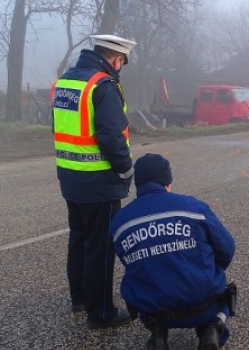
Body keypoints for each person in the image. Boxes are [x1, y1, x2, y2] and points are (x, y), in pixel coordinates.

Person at [51, 34, 136, 329]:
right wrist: (126, 170)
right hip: (99, 180)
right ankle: (100, 312)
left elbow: (60, 126)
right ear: (116, 58)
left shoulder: (66, 82)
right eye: (121, 62)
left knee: (80, 239)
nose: (120, 67)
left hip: (69, 175)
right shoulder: (103, 86)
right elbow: (112, 137)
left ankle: (80, 298)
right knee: (101, 248)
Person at [110, 153, 236, 350]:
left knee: (138, 276)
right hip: (203, 304)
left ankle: (158, 335)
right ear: (168, 181)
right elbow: (227, 249)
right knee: (225, 289)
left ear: (138, 184)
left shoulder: (119, 222)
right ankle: (212, 327)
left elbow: (130, 262)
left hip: (154, 310)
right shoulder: (194, 207)